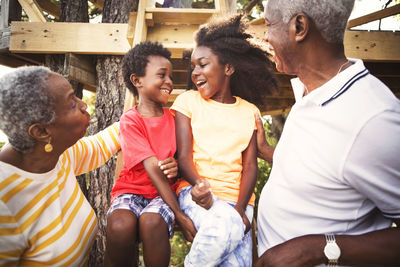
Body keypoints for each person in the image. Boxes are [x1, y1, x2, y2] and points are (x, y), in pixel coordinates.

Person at [256, 0, 400, 266]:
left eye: (268, 24)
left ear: (299, 27)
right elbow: (325, 172)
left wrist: (318, 248)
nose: (264, 36)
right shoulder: (311, 90)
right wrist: (267, 152)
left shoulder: (373, 119)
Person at [0, 66, 177, 266]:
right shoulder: (5, 206)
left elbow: (119, 133)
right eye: (72, 104)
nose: (84, 105)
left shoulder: (57, 155)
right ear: (41, 132)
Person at [171, 14, 277, 267]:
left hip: (238, 202)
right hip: (195, 194)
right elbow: (183, 157)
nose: (195, 72)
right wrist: (201, 187)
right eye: (193, 66)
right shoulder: (188, 102)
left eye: (203, 65)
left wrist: (240, 210)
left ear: (228, 68)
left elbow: (250, 166)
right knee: (222, 228)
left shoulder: (249, 111)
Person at [104, 41, 196, 267]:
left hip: (163, 194)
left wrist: (176, 166)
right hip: (131, 190)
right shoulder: (131, 119)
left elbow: (184, 157)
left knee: (152, 221)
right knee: (119, 225)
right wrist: (180, 215)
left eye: (171, 77)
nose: (169, 82)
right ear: (137, 81)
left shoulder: (175, 118)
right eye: (162, 75)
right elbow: (152, 166)